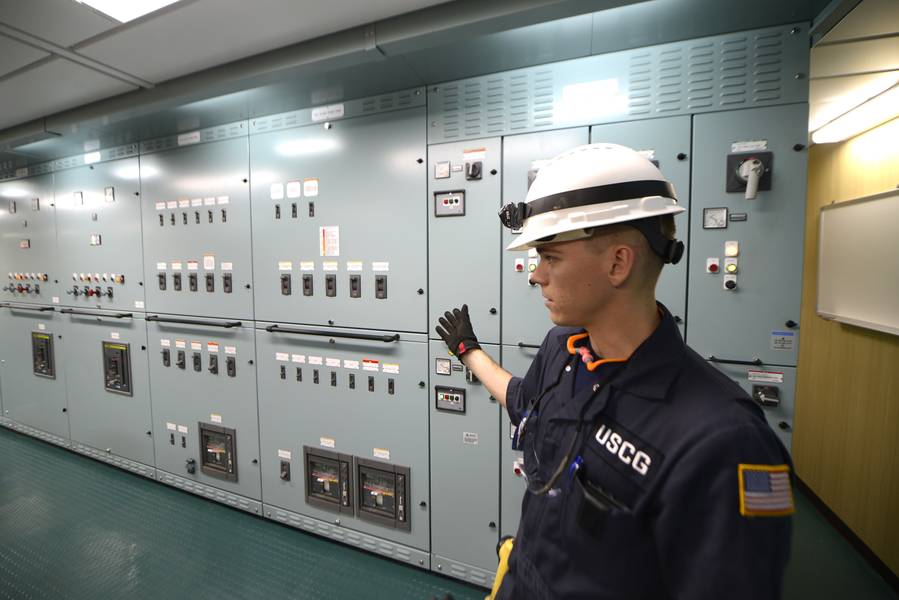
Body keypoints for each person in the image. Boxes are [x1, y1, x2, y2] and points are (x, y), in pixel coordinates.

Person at [435, 144, 793, 599]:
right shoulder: (564, 351)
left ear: (618, 263)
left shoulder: (724, 441)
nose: (535, 275)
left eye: (551, 257)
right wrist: (469, 351)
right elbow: (525, 403)